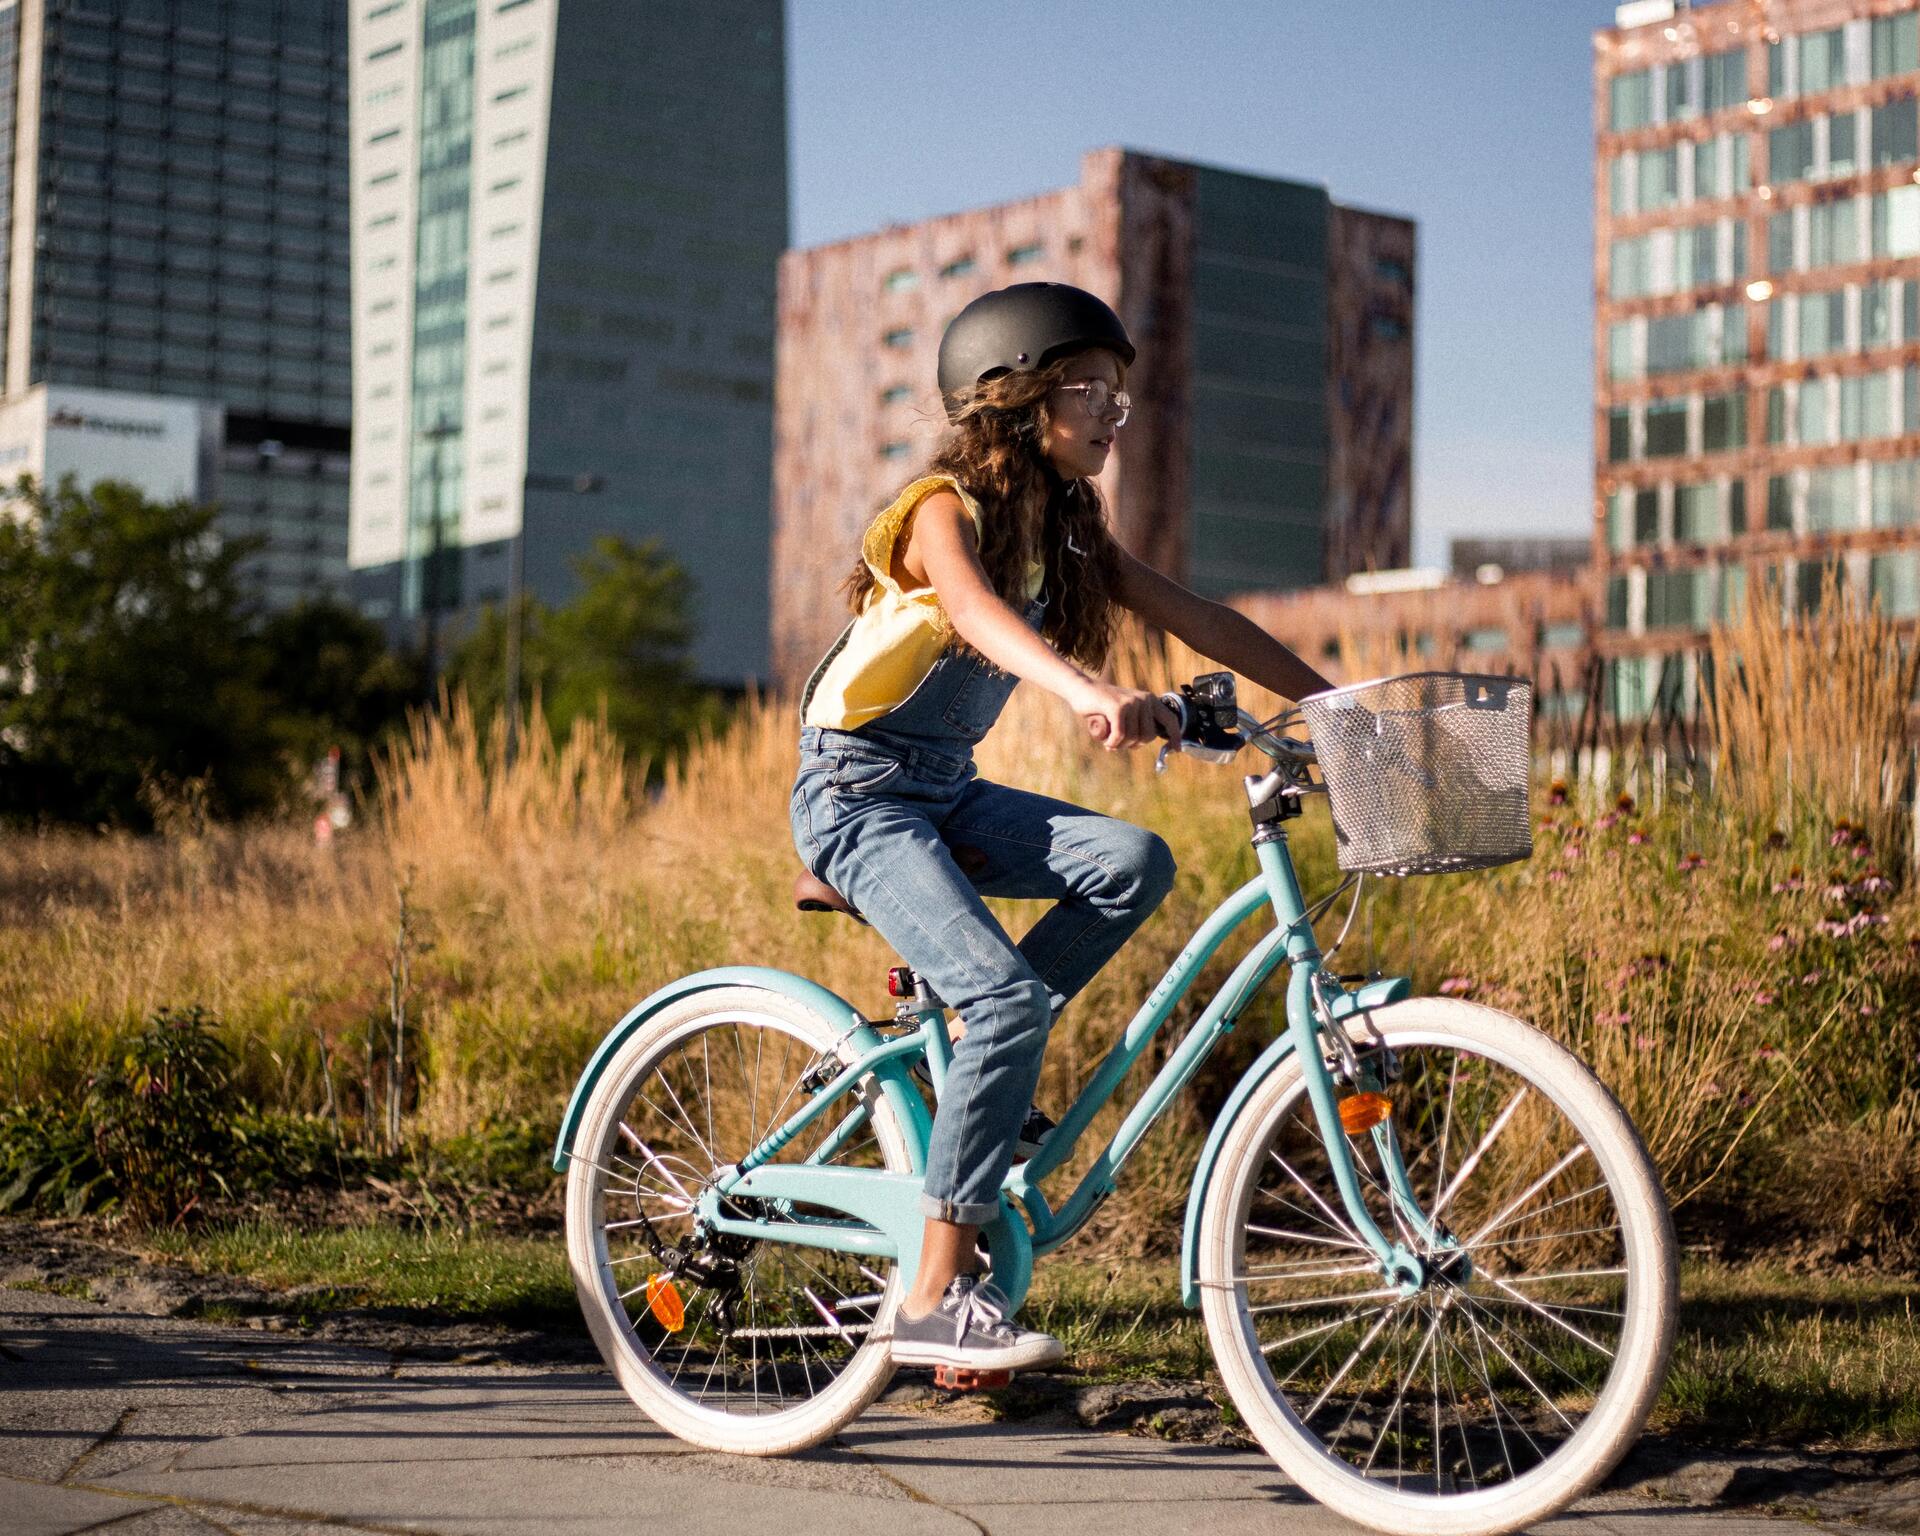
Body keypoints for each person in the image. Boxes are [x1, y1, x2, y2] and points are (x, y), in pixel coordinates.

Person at [789, 282, 1333, 1373]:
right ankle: (931, 1299)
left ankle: (975, 1075)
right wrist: (1083, 689)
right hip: (857, 792)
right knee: (1001, 1003)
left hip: (942, 786)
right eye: (1091, 389)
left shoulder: (1068, 529)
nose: (1110, 415)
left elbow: (1202, 619)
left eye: (1120, 398)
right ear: (1014, 397)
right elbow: (978, 615)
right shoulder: (942, 507)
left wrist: (1341, 710)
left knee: (1131, 860)